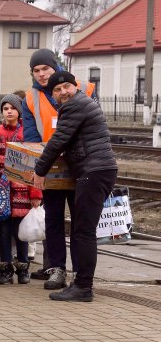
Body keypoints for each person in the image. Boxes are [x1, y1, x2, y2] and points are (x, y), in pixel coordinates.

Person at [33, 71, 117, 302]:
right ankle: (81, 284)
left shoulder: (75, 105)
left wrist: (39, 171)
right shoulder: (83, 103)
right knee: (82, 230)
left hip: (94, 171)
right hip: (97, 171)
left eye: (66, 87)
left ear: (75, 86)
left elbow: (58, 140)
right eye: (57, 90)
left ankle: (83, 287)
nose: (63, 93)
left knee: (83, 232)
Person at [22, 48, 96, 289]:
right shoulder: (30, 98)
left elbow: (91, 125)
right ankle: (56, 270)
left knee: (79, 222)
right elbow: (32, 135)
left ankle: (80, 272)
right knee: (53, 219)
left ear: (56, 66)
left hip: (80, 164)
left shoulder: (83, 89)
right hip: (50, 166)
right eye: (37, 70)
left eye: (46, 69)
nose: (42, 74)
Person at [0, 94, 43, 285]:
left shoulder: (26, 132)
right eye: (5, 108)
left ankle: (23, 270)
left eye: (12, 108)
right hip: (2, 190)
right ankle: (6, 270)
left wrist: (36, 193)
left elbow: (35, 164)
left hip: (22, 190)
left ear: (19, 111)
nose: (9, 111)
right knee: (3, 232)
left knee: (22, 233)